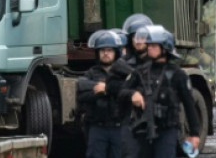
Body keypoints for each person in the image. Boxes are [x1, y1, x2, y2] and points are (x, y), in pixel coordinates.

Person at [127, 25, 201, 158]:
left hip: (167, 129)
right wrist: (132, 94)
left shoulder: (177, 74)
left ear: (165, 48)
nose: (149, 48)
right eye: (149, 45)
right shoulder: (140, 72)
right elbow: (122, 93)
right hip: (143, 129)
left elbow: (189, 104)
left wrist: (194, 134)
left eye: (154, 46)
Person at [78, 30, 135, 158]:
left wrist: (106, 89)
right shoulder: (91, 73)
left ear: (116, 52)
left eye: (109, 50)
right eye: (102, 50)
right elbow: (82, 95)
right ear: (97, 53)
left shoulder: (123, 73)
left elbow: (131, 91)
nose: (106, 53)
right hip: (97, 128)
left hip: (119, 128)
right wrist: (99, 93)